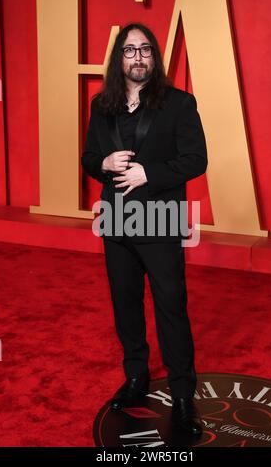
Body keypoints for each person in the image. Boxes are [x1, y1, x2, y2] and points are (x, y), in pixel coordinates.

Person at [81, 22, 207, 436]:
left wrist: (146, 174)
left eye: (145, 49)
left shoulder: (179, 104)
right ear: (120, 59)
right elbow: (88, 157)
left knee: (171, 307)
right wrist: (103, 164)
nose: (138, 57)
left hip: (160, 218)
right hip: (116, 221)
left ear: (155, 56)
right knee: (126, 305)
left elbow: (195, 161)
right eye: (130, 50)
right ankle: (136, 378)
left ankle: (183, 395)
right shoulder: (102, 106)